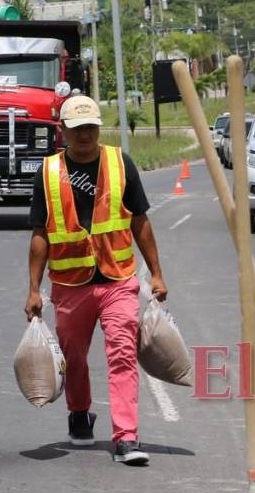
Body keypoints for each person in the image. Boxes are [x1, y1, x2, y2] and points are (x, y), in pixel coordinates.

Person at [25, 95, 167, 466]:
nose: (85, 134)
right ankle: (79, 413)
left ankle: (126, 437)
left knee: (122, 354)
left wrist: (156, 273)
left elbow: (140, 220)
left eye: (90, 127)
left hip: (117, 279)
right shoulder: (48, 172)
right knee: (73, 356)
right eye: (77, 128)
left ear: (99, 127)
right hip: (71, 283)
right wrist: (33, 289)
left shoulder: (121, 163)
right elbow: (40, 233)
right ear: (63, 130)